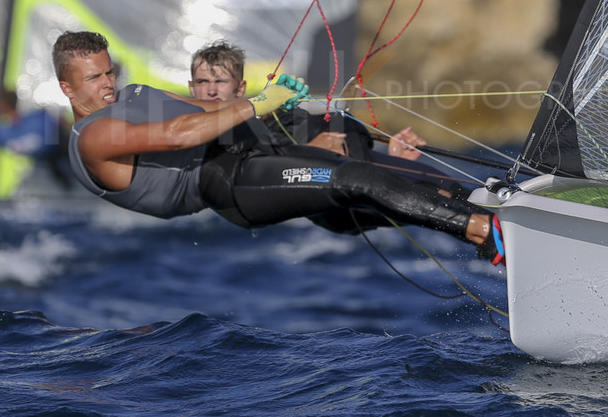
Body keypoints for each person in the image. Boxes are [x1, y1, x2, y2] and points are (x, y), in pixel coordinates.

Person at [57, 30, 500, 257]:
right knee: (354, 179)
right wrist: (260, 104)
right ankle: (483, 231)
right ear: (67, 87)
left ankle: (484, 203)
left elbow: (205, 111)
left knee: (340, 129)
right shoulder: (95, 135)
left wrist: (270, 104)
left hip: (244, 145)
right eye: (94, 78)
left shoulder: (135, 95)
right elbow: (180, 133)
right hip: (224, 181)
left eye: (109, 71)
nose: (108, 84)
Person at [187, 41, 425, 161]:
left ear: (240, 89)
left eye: (220, 82)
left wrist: (393, 157)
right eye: (201, 82)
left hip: (350, 152)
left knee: (432, 181)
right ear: (190, 88)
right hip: (324, 174)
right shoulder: (180, 126)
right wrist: (311, 151)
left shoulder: (265, 118)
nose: (210, 90)